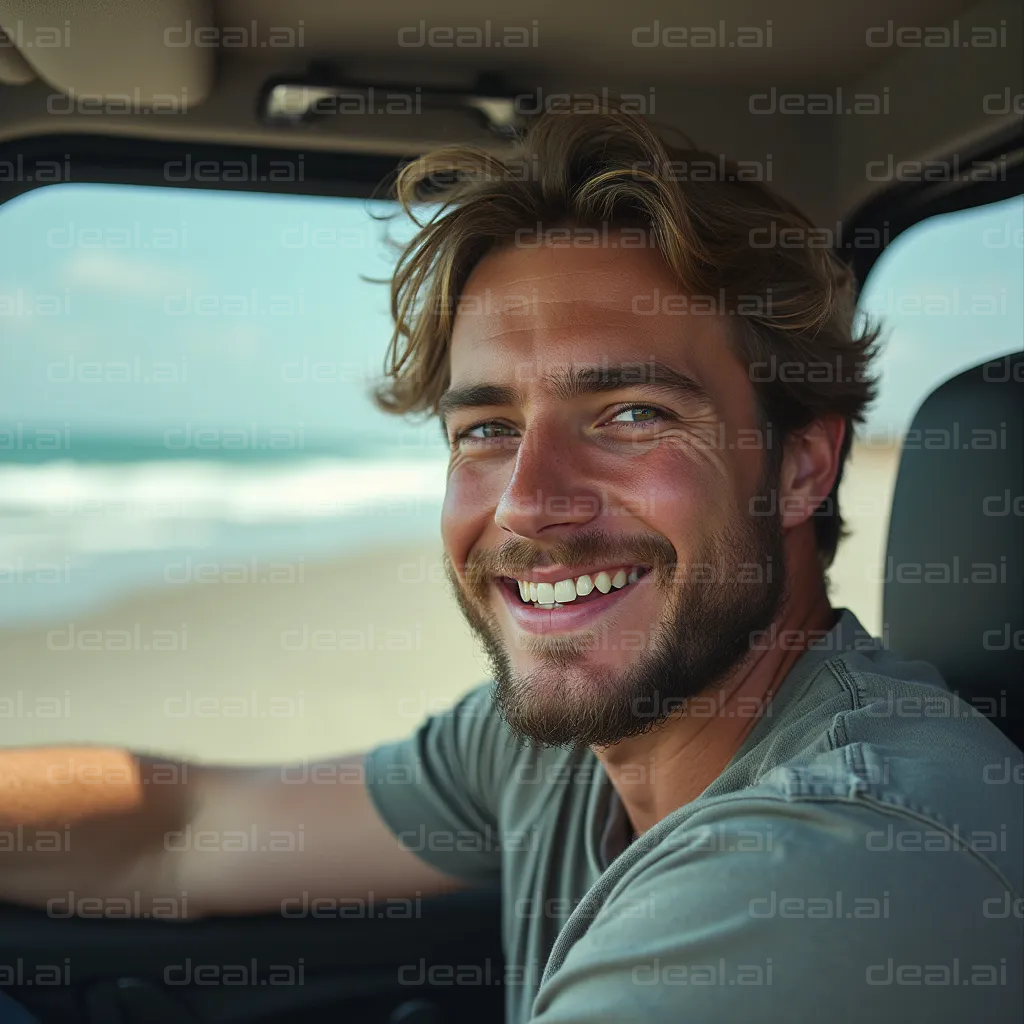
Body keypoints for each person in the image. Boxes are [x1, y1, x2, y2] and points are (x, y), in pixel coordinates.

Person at [1, 101, 1020, 1022]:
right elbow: (184, 827)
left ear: (800, 467)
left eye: (628, 415)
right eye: (485, 428)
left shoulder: (843, 865)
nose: (529, 501)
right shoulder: (560, 742)